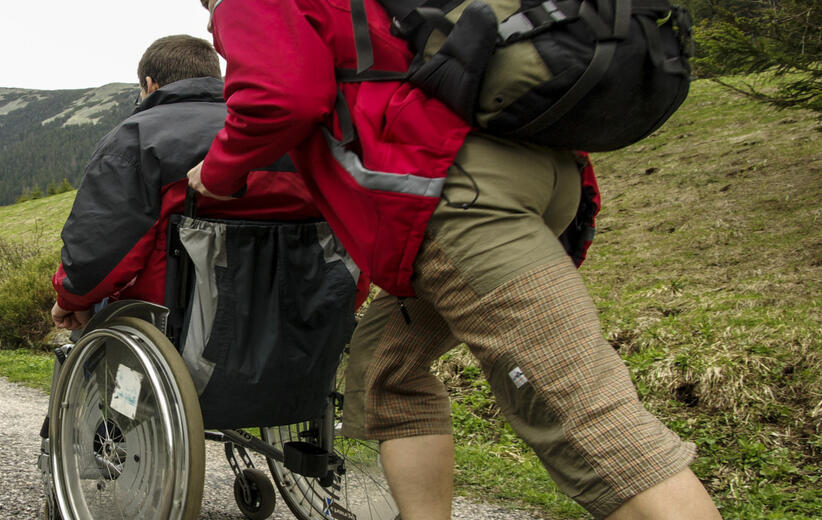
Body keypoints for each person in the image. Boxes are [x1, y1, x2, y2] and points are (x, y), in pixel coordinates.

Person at [187, 1, 721, 519]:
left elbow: (281, 98)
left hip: (457, 200)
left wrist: (217, 173)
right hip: (537, 175)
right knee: (387, 370)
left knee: (587, 419)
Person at [50, 34, 348, 331]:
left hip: (176, 326)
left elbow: (101, 246)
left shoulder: (135, 139)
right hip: (298, 322)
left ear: (150, 85)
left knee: (94, 314)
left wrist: (71, 297)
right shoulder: (276, 132)